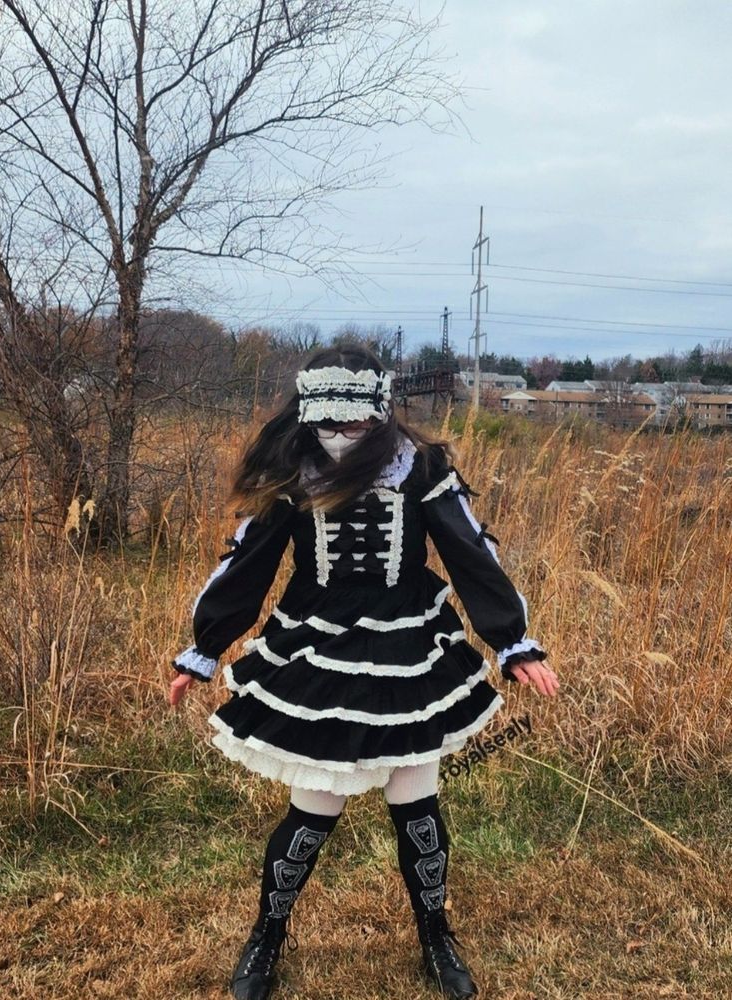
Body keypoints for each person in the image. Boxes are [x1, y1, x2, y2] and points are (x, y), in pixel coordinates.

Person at [170, 344, 558, 1000]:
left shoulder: (420, 465)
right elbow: (248, 560)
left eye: (355, 422)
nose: (342, 434)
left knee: (417, 805)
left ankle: (435, 934)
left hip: (409, 646)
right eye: (330, 422)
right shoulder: (290, 468)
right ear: (309, 411)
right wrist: (205, 646)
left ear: (378, 412)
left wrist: (512, 642)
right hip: (316, 648)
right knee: (314, 806)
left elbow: (469, 548)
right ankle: (268, 933)